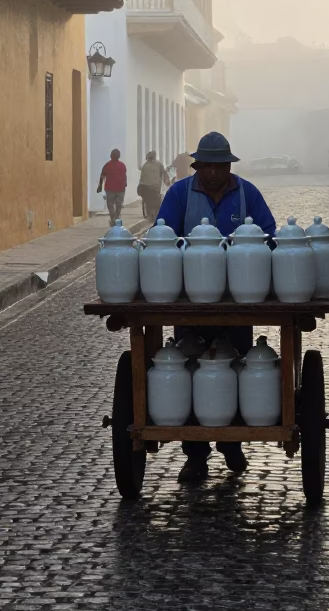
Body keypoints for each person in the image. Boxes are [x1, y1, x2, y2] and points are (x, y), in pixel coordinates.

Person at [156, 131, 276, 484]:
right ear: (197, 166)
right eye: (206, 166)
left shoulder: (247, 193)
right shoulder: (179, 194)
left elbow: (269, 235)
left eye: (218, 166)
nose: (212, 173)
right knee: (191, 370)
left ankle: (232, 441)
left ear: (228, 166)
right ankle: (196, 456)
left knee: (236, 366)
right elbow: (161, 237)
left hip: (239, 302)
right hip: (190, 304)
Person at [97, 149, 127, 226]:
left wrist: (100, 186)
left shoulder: (107, 165)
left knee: (110, 204)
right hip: (120, 188)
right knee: (119, 204)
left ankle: (113, 216)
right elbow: (124, 176)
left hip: (110, 188)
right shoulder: (122, 165)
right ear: (119, 156)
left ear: (111, 156)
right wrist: (125, 184)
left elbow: (102, 176)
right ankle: (117, 217)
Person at [137, 150, 170, 220]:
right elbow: (164, 173)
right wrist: (166, 180)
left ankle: (149, 214)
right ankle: (156, 215)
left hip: (144, 187)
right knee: (157, 202)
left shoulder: (144, 166)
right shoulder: (159, 164)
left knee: (147, 201)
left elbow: (142, 178)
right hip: (155, 187)